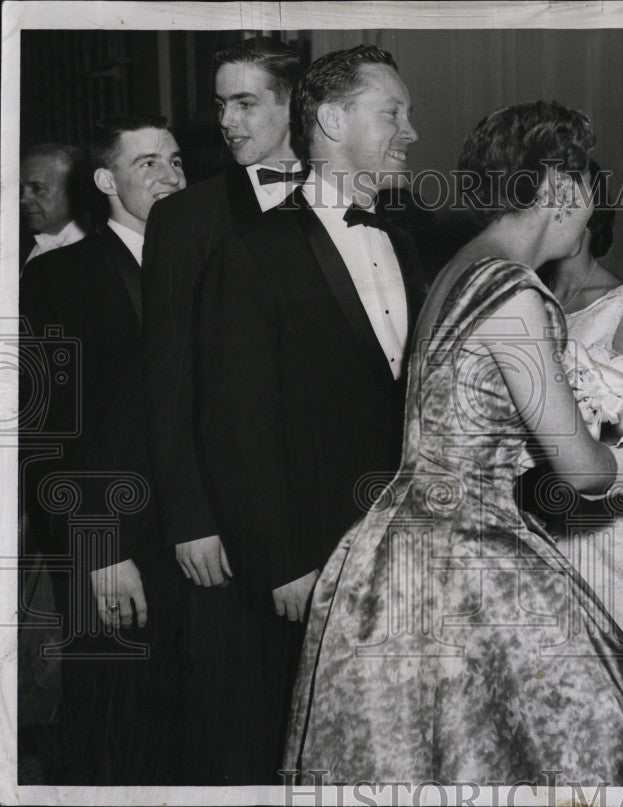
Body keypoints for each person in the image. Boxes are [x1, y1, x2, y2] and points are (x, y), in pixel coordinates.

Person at [283, 101, 623, 785]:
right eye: (584, 190)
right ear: (561, 188)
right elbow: (580, 469)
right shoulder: (515, 293)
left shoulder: (459, 268)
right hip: (464, 552)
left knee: (434, 755)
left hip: (396, 547)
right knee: (592, 728)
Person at [196, 44, 426, 783]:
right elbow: (238, 427)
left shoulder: (419, 237)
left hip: (415, 556)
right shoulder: (251, 250)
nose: (411, 131)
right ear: (331, 119)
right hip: (314, 562)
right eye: (393, 112)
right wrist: (285, 560)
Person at [140, 37, 305, 784]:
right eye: (220, 104)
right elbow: (167, 377)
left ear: (293, 105)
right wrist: (191, 515)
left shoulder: (360, 204)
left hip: (334, 514)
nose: (228, 122)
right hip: (227, 530)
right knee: (234, 733)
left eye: (246, 102)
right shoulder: (184, 219)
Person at [19, 114, 187, 783]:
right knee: (109, 731)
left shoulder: (207, 261)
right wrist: (97, 548)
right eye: (146, 163)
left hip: (193, 546)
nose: (170, 175)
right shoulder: (60, 276)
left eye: (175, 160)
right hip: (106, 544)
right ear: (104, 180)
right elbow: (48, 432)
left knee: (177, 733)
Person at [539, 159, 623, 702]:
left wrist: (592, 419)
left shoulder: (620, 303)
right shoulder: (526, 296)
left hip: (602, 506)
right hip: (532, 497)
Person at [20, 143, 92, 268]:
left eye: (37, 188)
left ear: (74, 190)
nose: (23, 200)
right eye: (21, 189)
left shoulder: (100, 253)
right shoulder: (16, 248)